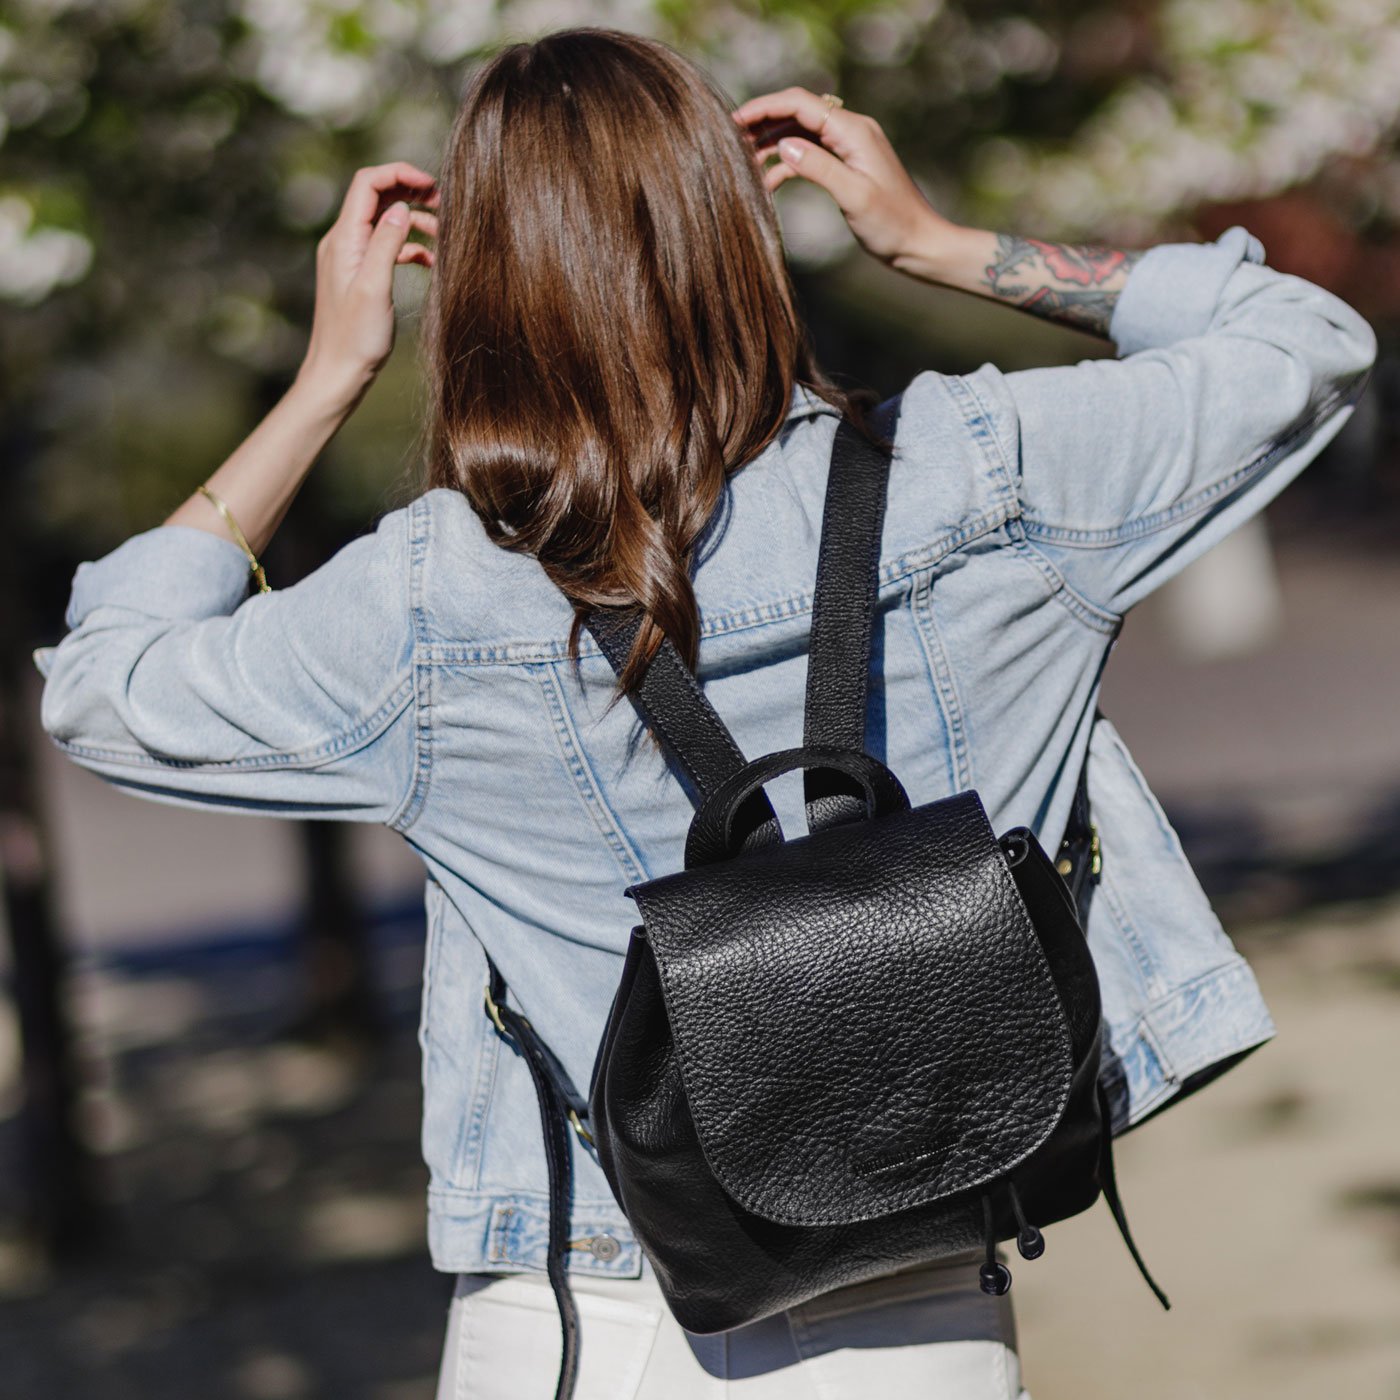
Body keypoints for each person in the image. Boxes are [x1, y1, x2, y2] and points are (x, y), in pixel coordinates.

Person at [32, 25, 1376, 1400]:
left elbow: (104, 683)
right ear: (739, 232)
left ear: (486, 283)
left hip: (599, 1315)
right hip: (933, 1307)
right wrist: (936, 242)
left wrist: (326, 380)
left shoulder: (430, 603)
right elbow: (1307, 340)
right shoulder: (982, 478)